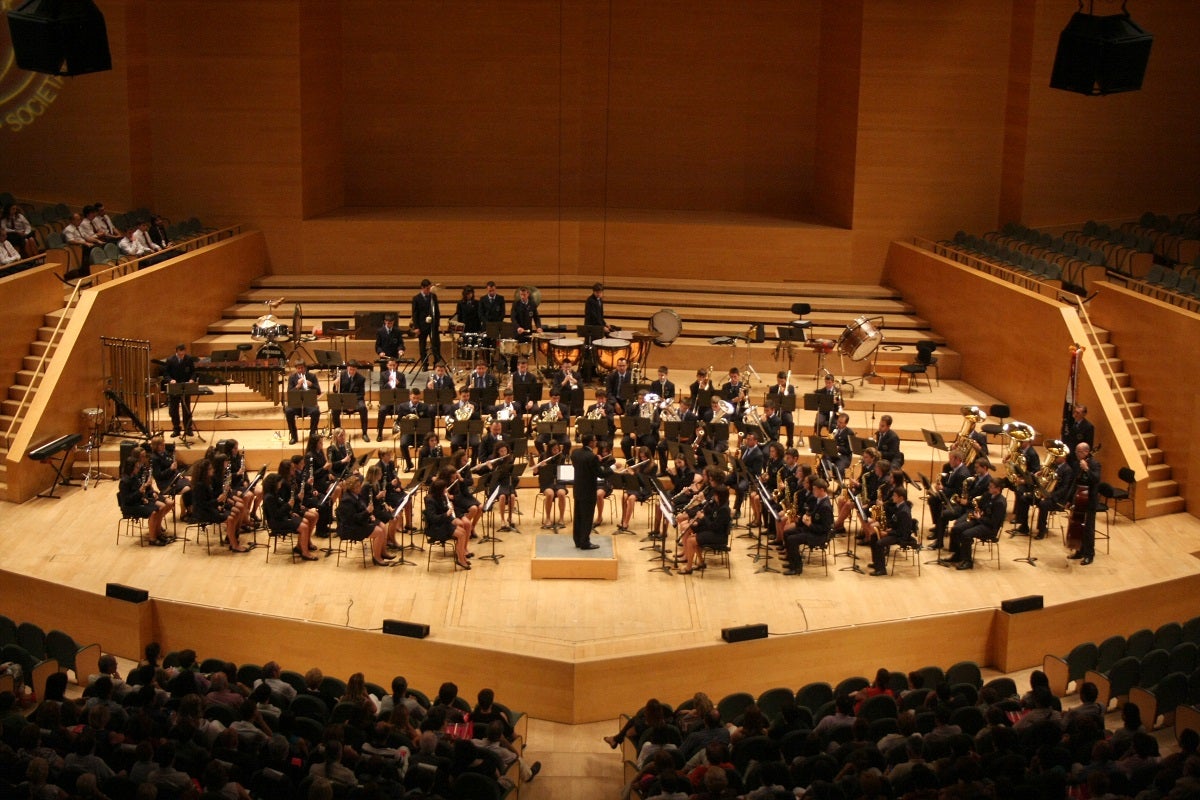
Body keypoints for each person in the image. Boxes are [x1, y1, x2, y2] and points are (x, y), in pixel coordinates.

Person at [677, 468, 731, 574]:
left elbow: (714, 526)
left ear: (719, 496)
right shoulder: (717, 504)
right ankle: (701, 562)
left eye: (715, 495)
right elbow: (710, 516)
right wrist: (698, 521)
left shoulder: (724, 509)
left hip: (719, 536)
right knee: (692, 533)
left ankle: (688, 568)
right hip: (713, 529)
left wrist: (702, 518)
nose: (714, 496)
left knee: (691, 540)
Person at [944, 479, 1006, 569]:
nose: (988, 488)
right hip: (980, 521)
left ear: (998, 489)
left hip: (989, 528)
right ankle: (958, 555)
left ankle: (968, 561)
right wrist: (977, 511)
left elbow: (994, 522)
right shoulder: (988, 495)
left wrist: (980, 518)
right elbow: (978, 506)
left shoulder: (1000, 502)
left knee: (966, 534)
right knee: (956, 528)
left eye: (991, 486)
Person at [336, 475, 396, 567]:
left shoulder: (357, 495)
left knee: (383, 526)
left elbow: (362, 507)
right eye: (357, 487)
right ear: (352, 488)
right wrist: (367, 512)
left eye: (359, 486)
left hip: (361, 521)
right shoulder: (347, 500)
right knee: (379, 532)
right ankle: (376, 558)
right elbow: (353, 518)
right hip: (351, 527)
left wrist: (370, 514)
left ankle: (383, 552)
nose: (360, 488)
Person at [118, 451, 174, 545]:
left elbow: (138, 492)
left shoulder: (134, 477)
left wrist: (143, 495)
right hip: (130, 506)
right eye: (136, 467)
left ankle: (158, 534)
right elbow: (127, 500)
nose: (138, 468)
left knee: (161, 507)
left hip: (138, 501)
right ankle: (152, 539)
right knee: (153, 512)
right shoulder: (124, 482)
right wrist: (140, 492)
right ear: (130, 468)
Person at [262, 471, 319, 560]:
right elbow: (276, 514)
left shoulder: (274, 493)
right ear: (274, 484)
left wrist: (290, 512)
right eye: (279, 482)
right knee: (303, 526)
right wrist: (288, 506)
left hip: (282, 517)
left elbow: (281, 507)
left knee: (306, 521)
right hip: (276, 522)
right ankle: (305, 553)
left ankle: (300, 547)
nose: (280, 484)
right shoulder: (269, 497)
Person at [781, 477, 832, 575]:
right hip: (811, 530)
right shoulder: (819, 500)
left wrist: (809, 524)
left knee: (792, 539)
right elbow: (813, 515)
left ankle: (797, 568)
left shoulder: (825, 507)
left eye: (814, 489)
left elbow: (825, 528)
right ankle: (792, 562)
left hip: (819, 536)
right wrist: (807, 516)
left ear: (821, 490)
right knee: (787, 533)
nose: (813, 491)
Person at [424, 478, 471, 569]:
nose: (446, 490)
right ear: (439, 490)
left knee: (463, 532)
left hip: (443, 522)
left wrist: (450, 510)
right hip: (435, 527)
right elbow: (433, 518)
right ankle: (461, 559)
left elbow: (444, 509)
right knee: (461, 535)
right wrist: (447, 514)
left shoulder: (441, 496)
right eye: (444, 488)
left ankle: (461, 556)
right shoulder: (430, 500)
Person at [869, 486, 915, 576]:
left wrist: (887, 533)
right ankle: (877, 563)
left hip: (901, 537)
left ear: (901, 498)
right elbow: (896, 523)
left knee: (879, 543)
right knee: (874, 536)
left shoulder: (904, 511)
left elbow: (902, 531)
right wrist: (888, 528)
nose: (892, 497)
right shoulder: (899, 506)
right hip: (896, 532)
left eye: (894, 495)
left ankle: (881, 570)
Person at [1068, 442, 1101, 565]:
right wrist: (1069, 500)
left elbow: (1096, 479)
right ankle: (1079, 551)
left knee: (1088, 529)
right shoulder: (1078, 464)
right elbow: (1075, 482)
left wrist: (1087, 469)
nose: (1076, 454)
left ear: (1086, 452)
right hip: (1079, 499)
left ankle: (1089, 555)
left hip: (1090, 501)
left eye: (1078, 452)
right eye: (1076, 451)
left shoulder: (1094, 464)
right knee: (1078, 527)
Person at [161, 343, 196, 437]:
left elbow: (193, 372)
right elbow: (165, 373)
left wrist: (192, 379)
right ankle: (176, 429)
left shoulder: (188, 359)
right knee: (174, 410)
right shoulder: (170, 360)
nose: (182, 355)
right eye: (180, 354)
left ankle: (188, 428)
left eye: (183, 353)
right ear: (176, 352)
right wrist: (170, 380)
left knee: (186, 409)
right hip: (174, 387)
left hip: (185, 386)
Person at [572, 434, 601, 549]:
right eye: (595, 440)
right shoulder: (591, 457)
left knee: (578, 516)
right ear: (590, 443)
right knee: (587, 517)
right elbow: (599, 473)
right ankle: (585, 542)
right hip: (588, 491)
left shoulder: (575, 453)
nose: (596, 442)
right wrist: (612, 468)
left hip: (578, 489)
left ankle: (577, 540)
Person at [284, 362, 321, 445]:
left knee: (316, 412)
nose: (300, 370)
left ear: (305, 368)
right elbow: (289, 393)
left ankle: (312, 435)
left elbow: (318, 391)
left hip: (309, 403)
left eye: (302, 368)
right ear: (296, 369)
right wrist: (298, 386)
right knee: (288, 411)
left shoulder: (312, 376)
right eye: (298, 368)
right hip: (296, 404)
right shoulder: (292, 377)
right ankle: (294, 436)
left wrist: (311, 384)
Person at [330, 362, 369, 441]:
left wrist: (352, 403)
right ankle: (338, 432)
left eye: (354, 370)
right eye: (350, 369)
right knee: (335, 410)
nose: (352, 371)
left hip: (356, 400)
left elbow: (361, 394)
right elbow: (335, 391)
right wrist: (335, 385)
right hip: (343, 400)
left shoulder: (361, 378)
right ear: (347, 368)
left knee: (363, 408)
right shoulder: (341, 376)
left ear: (356, 369)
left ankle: (364, 433)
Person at [535, 440, 568, 530]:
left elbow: (563, 471)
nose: (556, 451)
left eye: (557, 449)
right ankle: (548, 518)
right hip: (547, 482)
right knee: (550, 494)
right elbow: (536, 472)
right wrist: (541, 467)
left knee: (561, 493)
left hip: (559, 482)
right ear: (549, 450)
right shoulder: (543, 456)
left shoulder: (561, 457)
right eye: (554, 449)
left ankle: (561, 519)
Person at [411, 278, 442, 367]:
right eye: (427, 288)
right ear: (422, 288)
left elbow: (437, 311)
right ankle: (424, 364)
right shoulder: (416, 298)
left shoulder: (433, 297)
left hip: (432, 326)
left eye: (429, 288)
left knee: (436, 344)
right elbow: (415, 313)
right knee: (422, 345)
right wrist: (416, 327)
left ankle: (437, 362)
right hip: (421, 325)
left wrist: (438, 324)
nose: (428, 290)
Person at [766, 372, 797, 447]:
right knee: (769, 420)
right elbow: (769, 402)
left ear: (786, 380)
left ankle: (790, 443)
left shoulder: (790, 388)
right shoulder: (773, 388)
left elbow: (791, 402)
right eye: (778, 381)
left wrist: (784, 394)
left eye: (782, 382)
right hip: (775, 411)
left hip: (785, 411)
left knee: (790, 422)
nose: (780, 383)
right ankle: (772, 440)